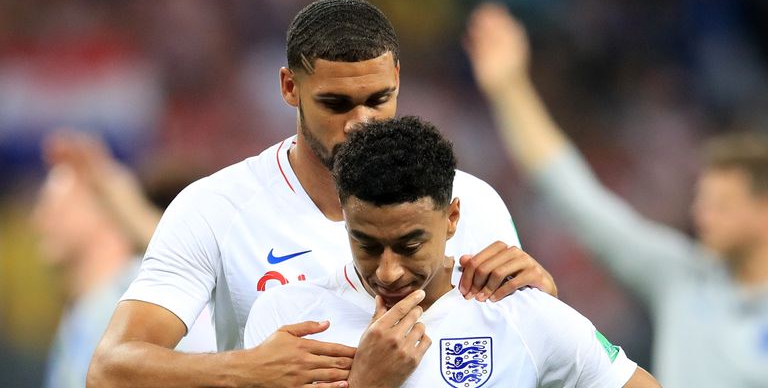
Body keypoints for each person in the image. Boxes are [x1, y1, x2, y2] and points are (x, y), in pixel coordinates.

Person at [88, 0, 558, 388]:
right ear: (290, 87)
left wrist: (544, 299)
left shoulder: (471, 201)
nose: (361, 123)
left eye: (378, 99)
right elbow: (111, 368)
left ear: (397, 78)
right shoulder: (216, 208)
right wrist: (246, 369)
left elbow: (521, 348)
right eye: (335, 104)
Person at [463, 2, 768, 387]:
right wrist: (510, 88)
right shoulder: (680, 275)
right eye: (701, 201)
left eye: (721, 205)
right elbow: (577, 197)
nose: (701, 215)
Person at [244, 116, 660, 387]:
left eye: (410, 245)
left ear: (452, 218)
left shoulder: (518, 313)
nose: (387, 272)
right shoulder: (290, 319)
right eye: (366, 244)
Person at [33, 131, 216, 388]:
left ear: (107, 210)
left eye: (55, 205)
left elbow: (204, 275)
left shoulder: (141, 291)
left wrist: (119, 196)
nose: (40, 219)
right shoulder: (81, 309)